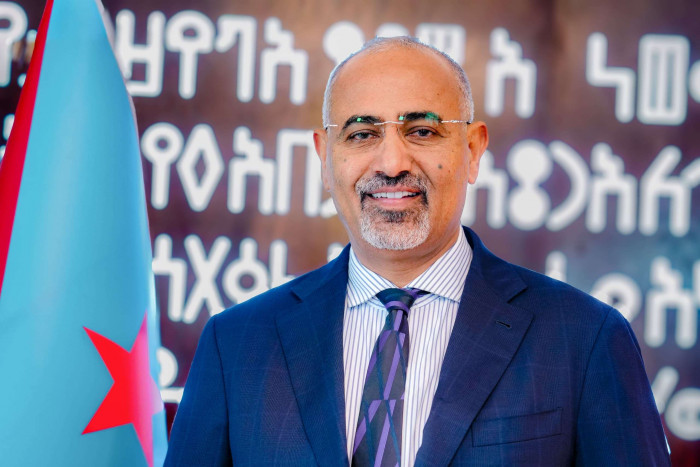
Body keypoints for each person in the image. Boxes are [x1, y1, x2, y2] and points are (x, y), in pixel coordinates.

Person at [165, 36, 670, 466]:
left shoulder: (585, 339)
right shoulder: (237, 345)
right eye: (362, 133)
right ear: (325, 158)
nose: (391, 162)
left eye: (422, 131)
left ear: (472, 150)